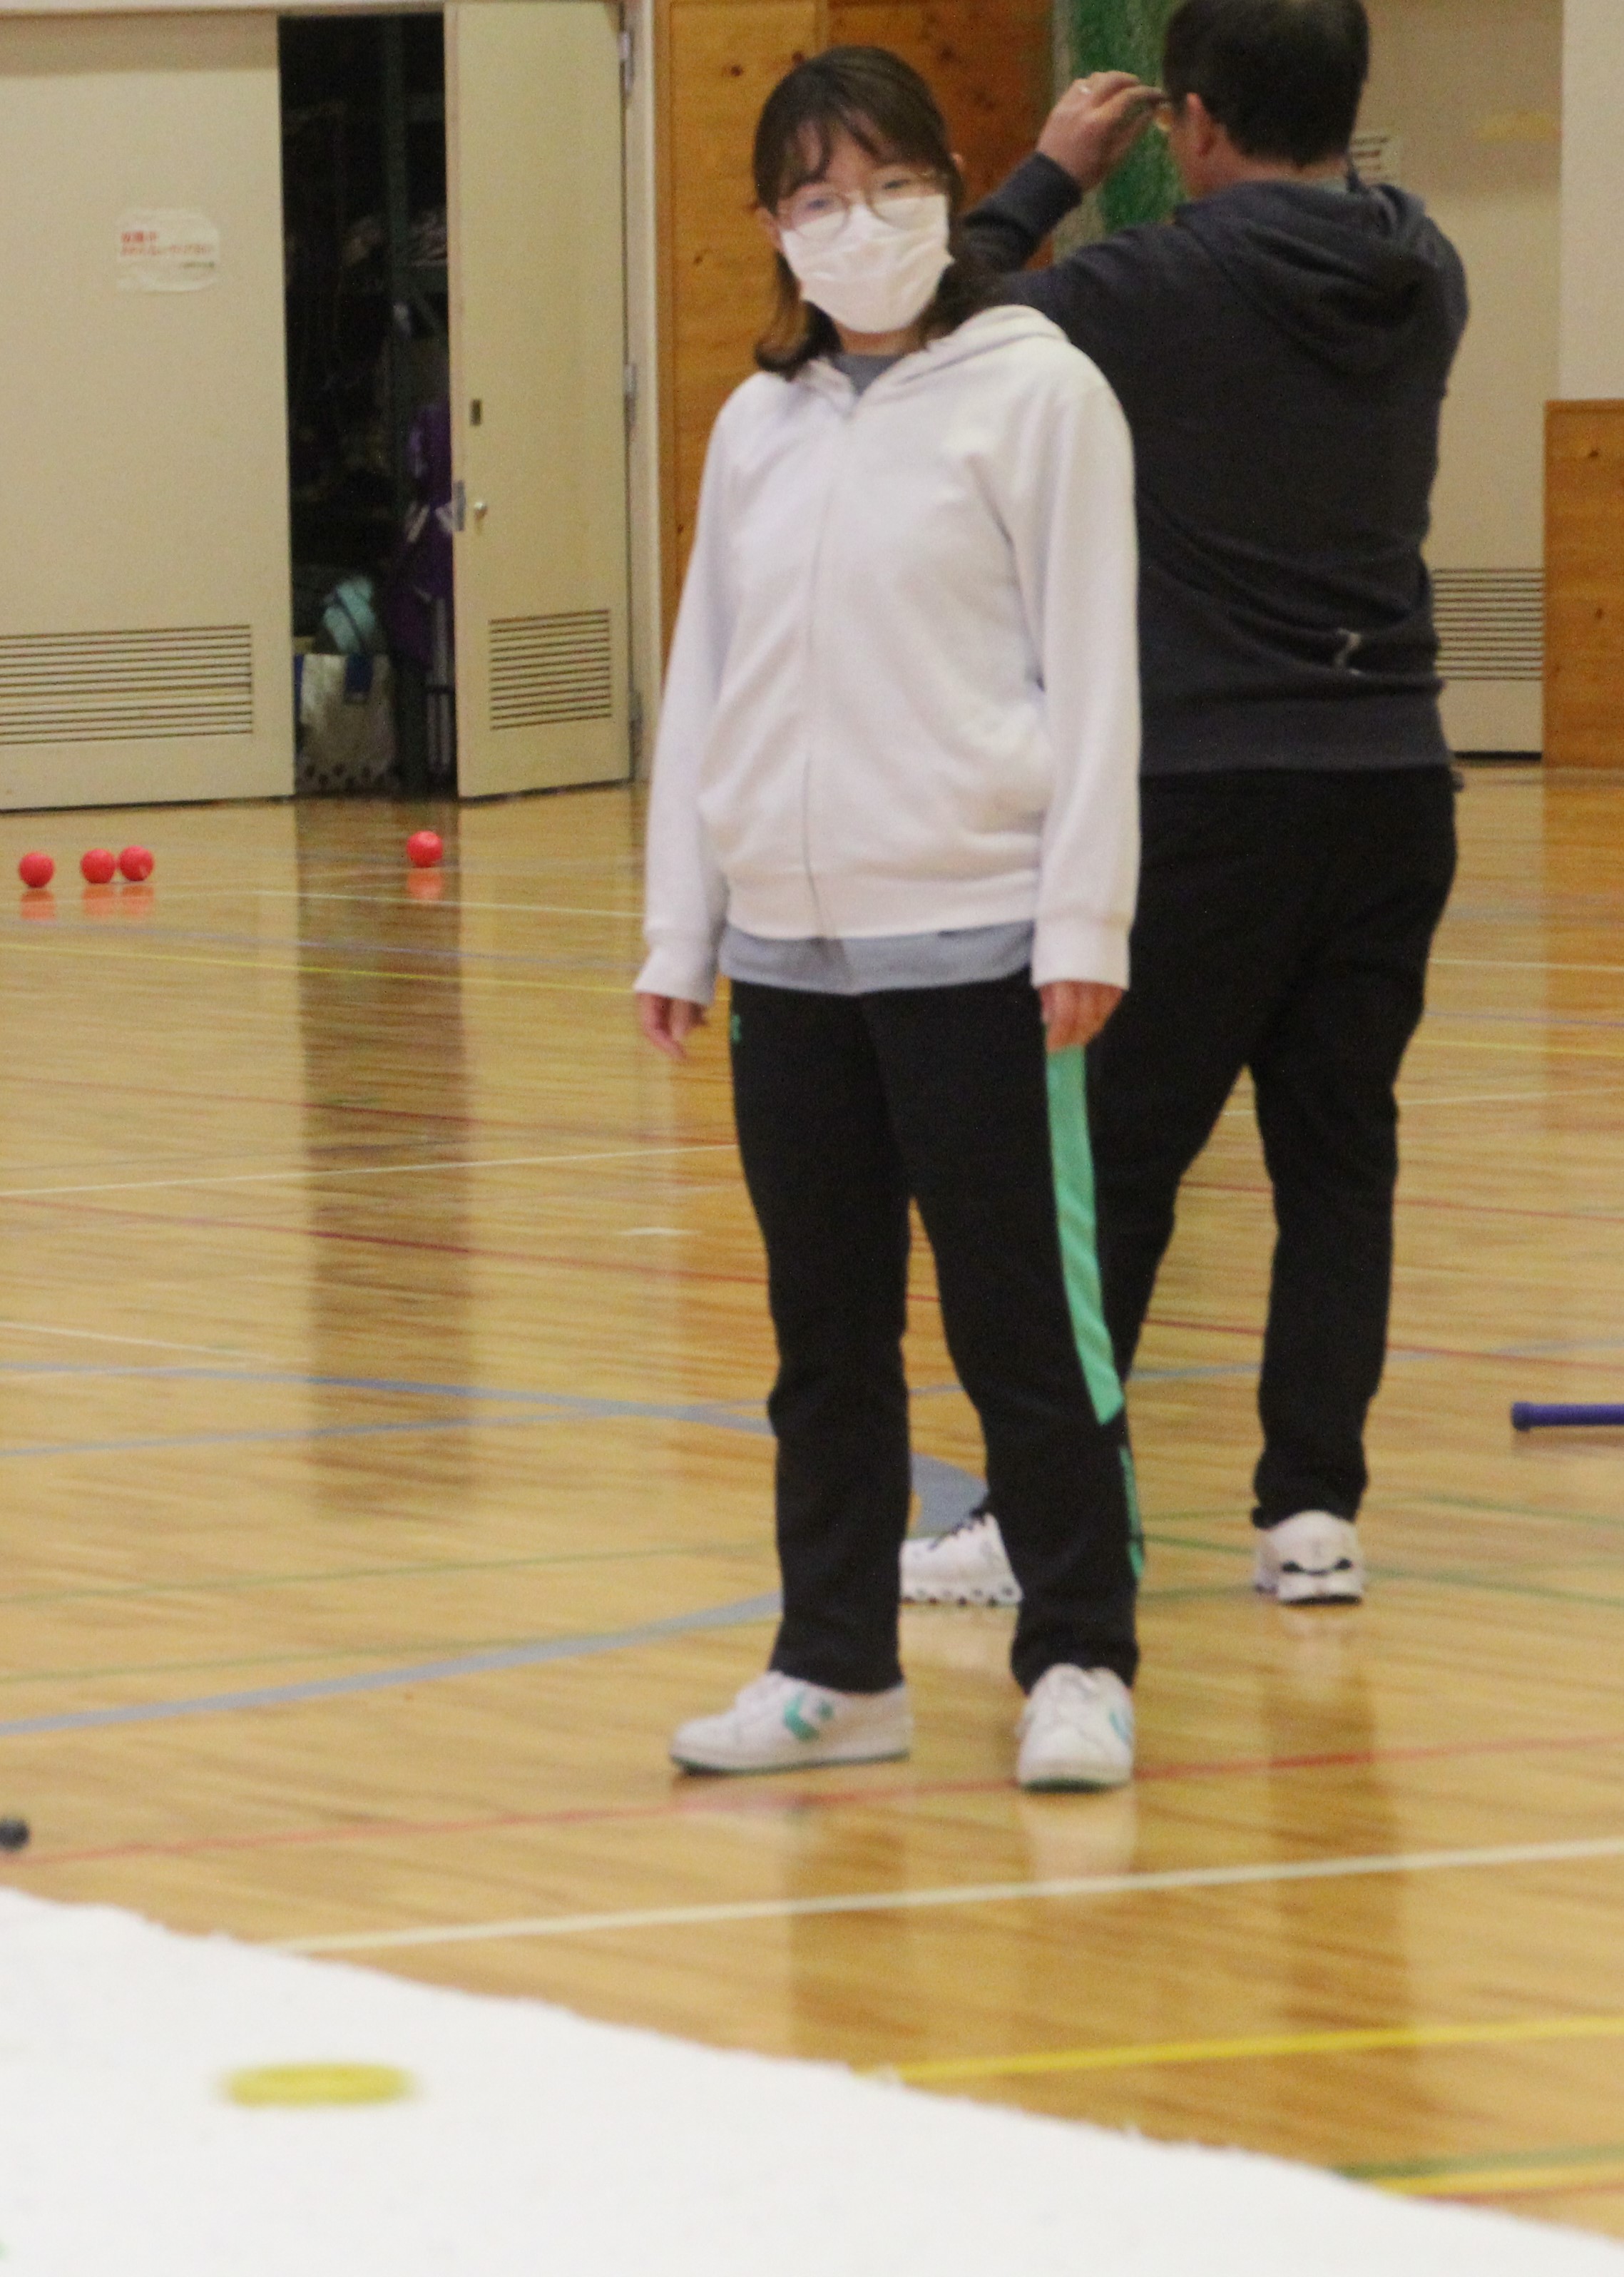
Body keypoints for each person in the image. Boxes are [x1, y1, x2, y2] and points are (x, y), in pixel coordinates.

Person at [901, 0, 1460, 1614]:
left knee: (1114, 1169)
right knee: (1339, 1157)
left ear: (1193, 122)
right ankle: (1311, 1516)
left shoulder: (1149, 287)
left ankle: (1035, 1514)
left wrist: (1052, 168)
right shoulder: (1424, 266)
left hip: (1209, 791)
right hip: (1395, 785)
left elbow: (941, 317)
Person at [637, 48, 1146, 1791]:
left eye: (886, 186)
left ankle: (1078, 1653)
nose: (855, 224)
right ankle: (835, 1668)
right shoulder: (757, 424)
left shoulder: (1040, 392)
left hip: (988, 947)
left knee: (1024, 1325)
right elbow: (706, 682)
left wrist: (1084, 919)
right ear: (777, 228)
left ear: (948, 183)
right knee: (823, 1339)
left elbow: (1094, 679)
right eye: (813, 197)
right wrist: (677, 930)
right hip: (793, 962)